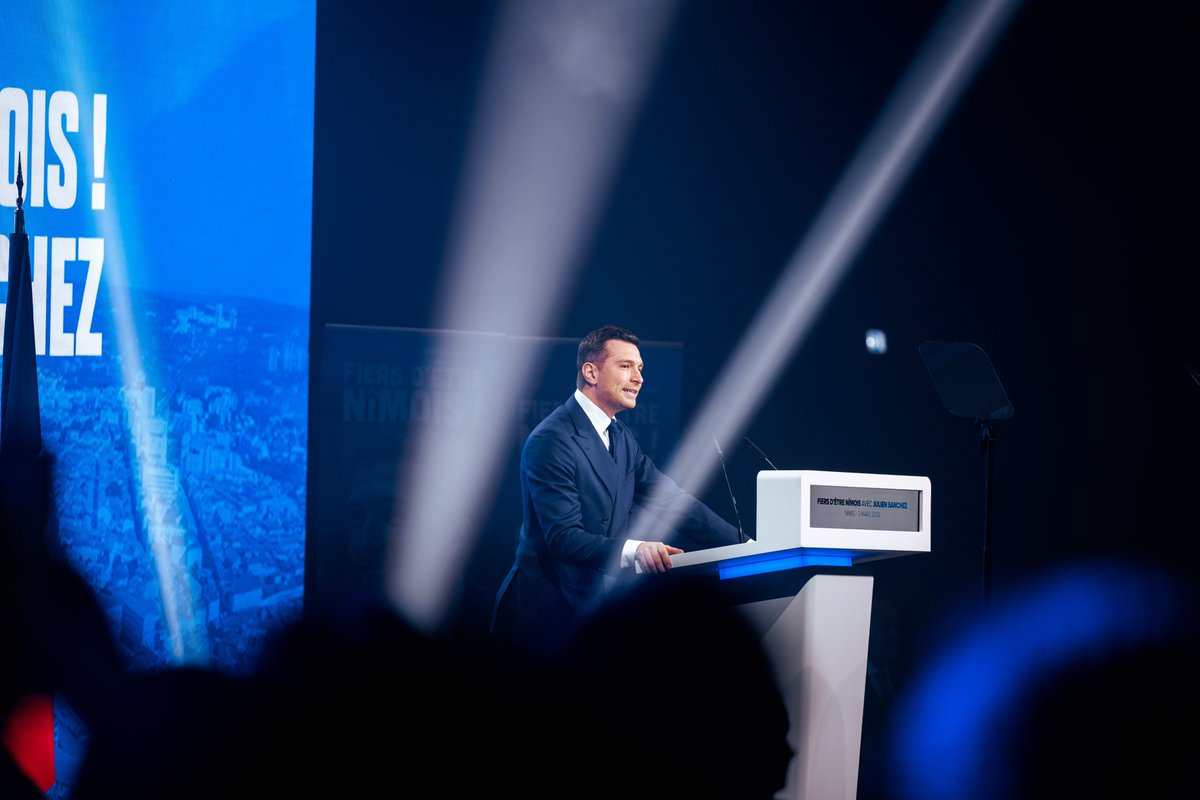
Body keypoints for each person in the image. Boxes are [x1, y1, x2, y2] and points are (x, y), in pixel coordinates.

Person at [490, 324, 742, 660]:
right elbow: (563, 538)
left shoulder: (621, 438)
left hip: (592, 613)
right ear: (590, 372)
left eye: (640, 369)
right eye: (625, 366)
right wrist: (636, 550)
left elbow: (672, 502)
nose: (638, 378)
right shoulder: (552, 439)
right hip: (543, 617)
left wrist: (745, 546)